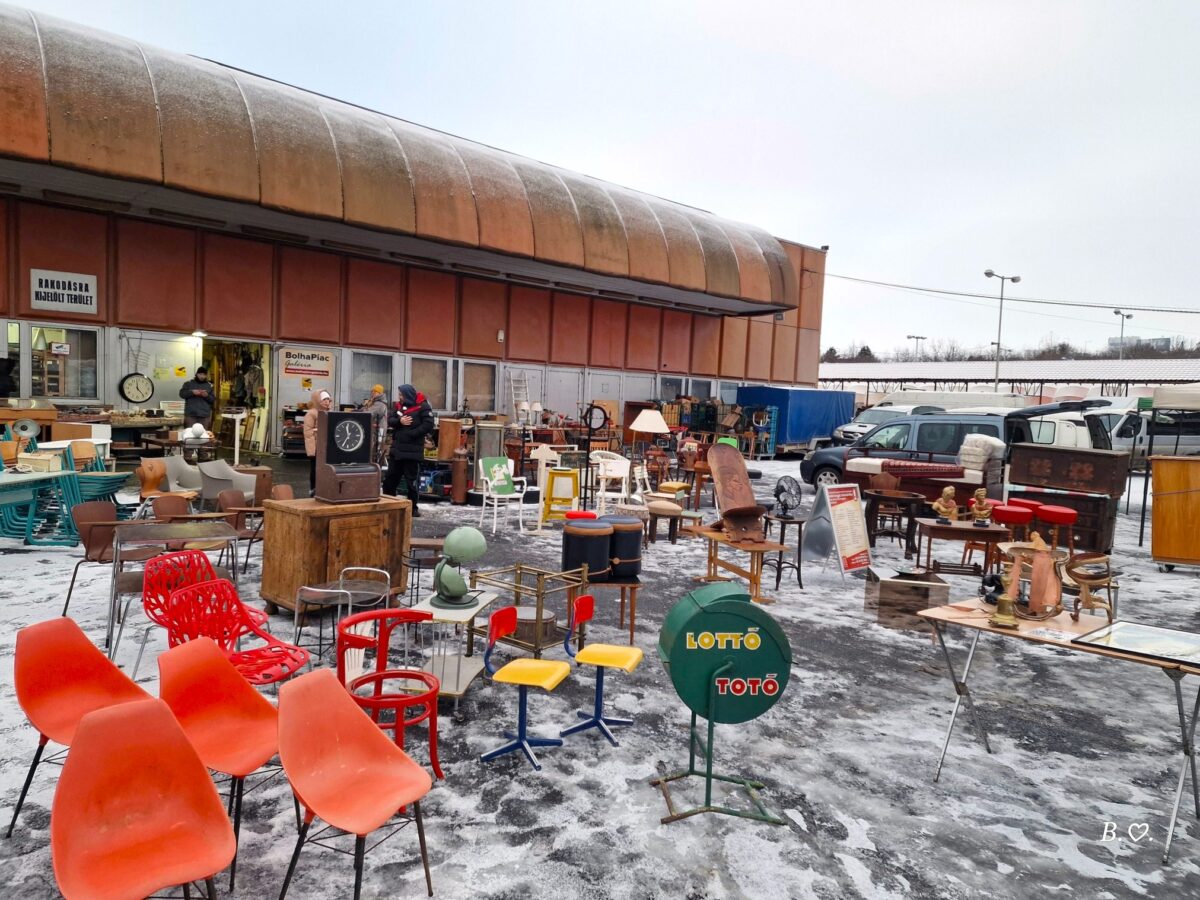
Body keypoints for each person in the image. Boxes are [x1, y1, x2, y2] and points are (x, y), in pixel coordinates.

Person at [383, 384, 434, 515]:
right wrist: (400, 421)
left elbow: (428, 425)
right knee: (390, 479)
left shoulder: (423, 406)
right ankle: (389, 506)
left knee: (411, 482)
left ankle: (413, 508)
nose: (399, 397)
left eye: (401, 395)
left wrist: (412, 434)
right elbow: (391, 420)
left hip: (412, 452)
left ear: (408, 395)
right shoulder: (399, 406)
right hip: (397, 450)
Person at [303, 389, 333, 495]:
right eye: (324, 399)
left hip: (327, 446)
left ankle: (325, 488)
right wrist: (312, 450)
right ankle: (313, 489)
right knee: (315, 468)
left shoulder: (329, 413)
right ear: (318, 400)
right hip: (316, 446)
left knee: (327, 468)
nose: (327, 402)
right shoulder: (311, 413)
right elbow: (308, 432)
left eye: (328, 399)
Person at [361, 384, 390, 463]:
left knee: (376, 451)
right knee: (374, 451)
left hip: (378, 432)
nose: (372, 393)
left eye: (375, 391)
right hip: (375, 431)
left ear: (379, 393)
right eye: (372, 391)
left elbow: (370, 413)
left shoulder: (380, 404)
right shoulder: (374, 402)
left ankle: (377, 465)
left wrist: (362, 410)